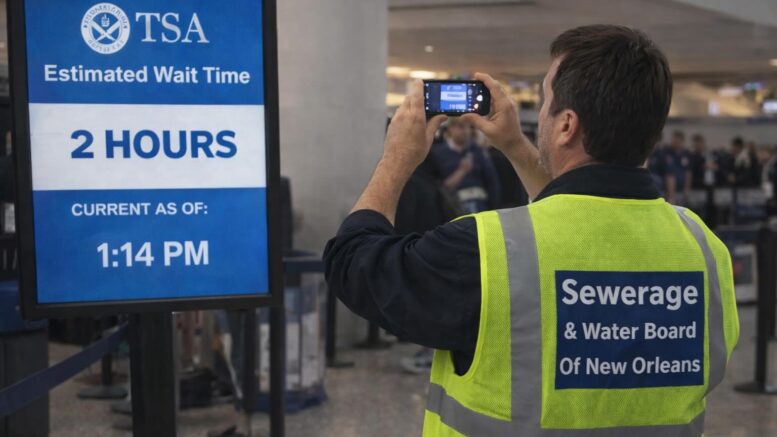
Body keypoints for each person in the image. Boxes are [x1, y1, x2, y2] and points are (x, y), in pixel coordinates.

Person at [324, 25, 738, 436]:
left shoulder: (486, 251)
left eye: (545, 102)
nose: (539, 114)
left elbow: (353, 262)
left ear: (566, 126)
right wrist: (515, 146)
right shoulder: (704, 249)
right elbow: (579, 221)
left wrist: (397, 159)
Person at [432, 118, 500, 213]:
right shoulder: (438, 153)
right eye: (461, 127)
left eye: (469, 127)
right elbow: (437, 186)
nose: (466, 131)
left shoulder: (478, 151)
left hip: (480, 206)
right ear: (450, 128)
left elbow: (492, 182)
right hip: (451, 208)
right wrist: (462, 171)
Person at [664, 130, 692, 205]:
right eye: (673, 139)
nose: (674, 141)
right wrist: (670, 194)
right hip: (670, 189)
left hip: (682, 188)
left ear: (681, 141)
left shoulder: (686, 154)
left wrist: (687, 188)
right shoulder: (667, 152)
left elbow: (688, 172)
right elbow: (669, 174)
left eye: (677, 140)